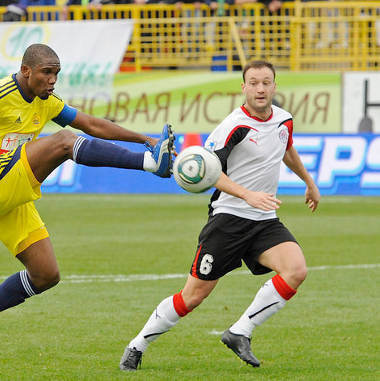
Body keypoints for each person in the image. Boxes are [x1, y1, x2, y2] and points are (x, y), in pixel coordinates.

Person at [0, 43, 175, 362]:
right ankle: (151, 166)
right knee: (64, 142)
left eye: (56, 74)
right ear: (26, 71)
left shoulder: (46, 102)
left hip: (10, 197)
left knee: (46, 275)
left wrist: (145, 139)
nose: (53, 80)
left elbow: (91, 124)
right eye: (46, 73)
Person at [119, 60, 321, 371]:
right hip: (228, 221)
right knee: (192, 297)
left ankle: (240, 332)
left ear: (275, 86)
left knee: (295, 270)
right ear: (244, 88)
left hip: (265, 222)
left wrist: (309, 182)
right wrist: (247, 194)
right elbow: (208, 172)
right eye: (253, 82)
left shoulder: (284, 120)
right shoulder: (232, 127)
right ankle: (137, 345)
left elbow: (286, 148)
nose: (260, 88)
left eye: (266, 82)